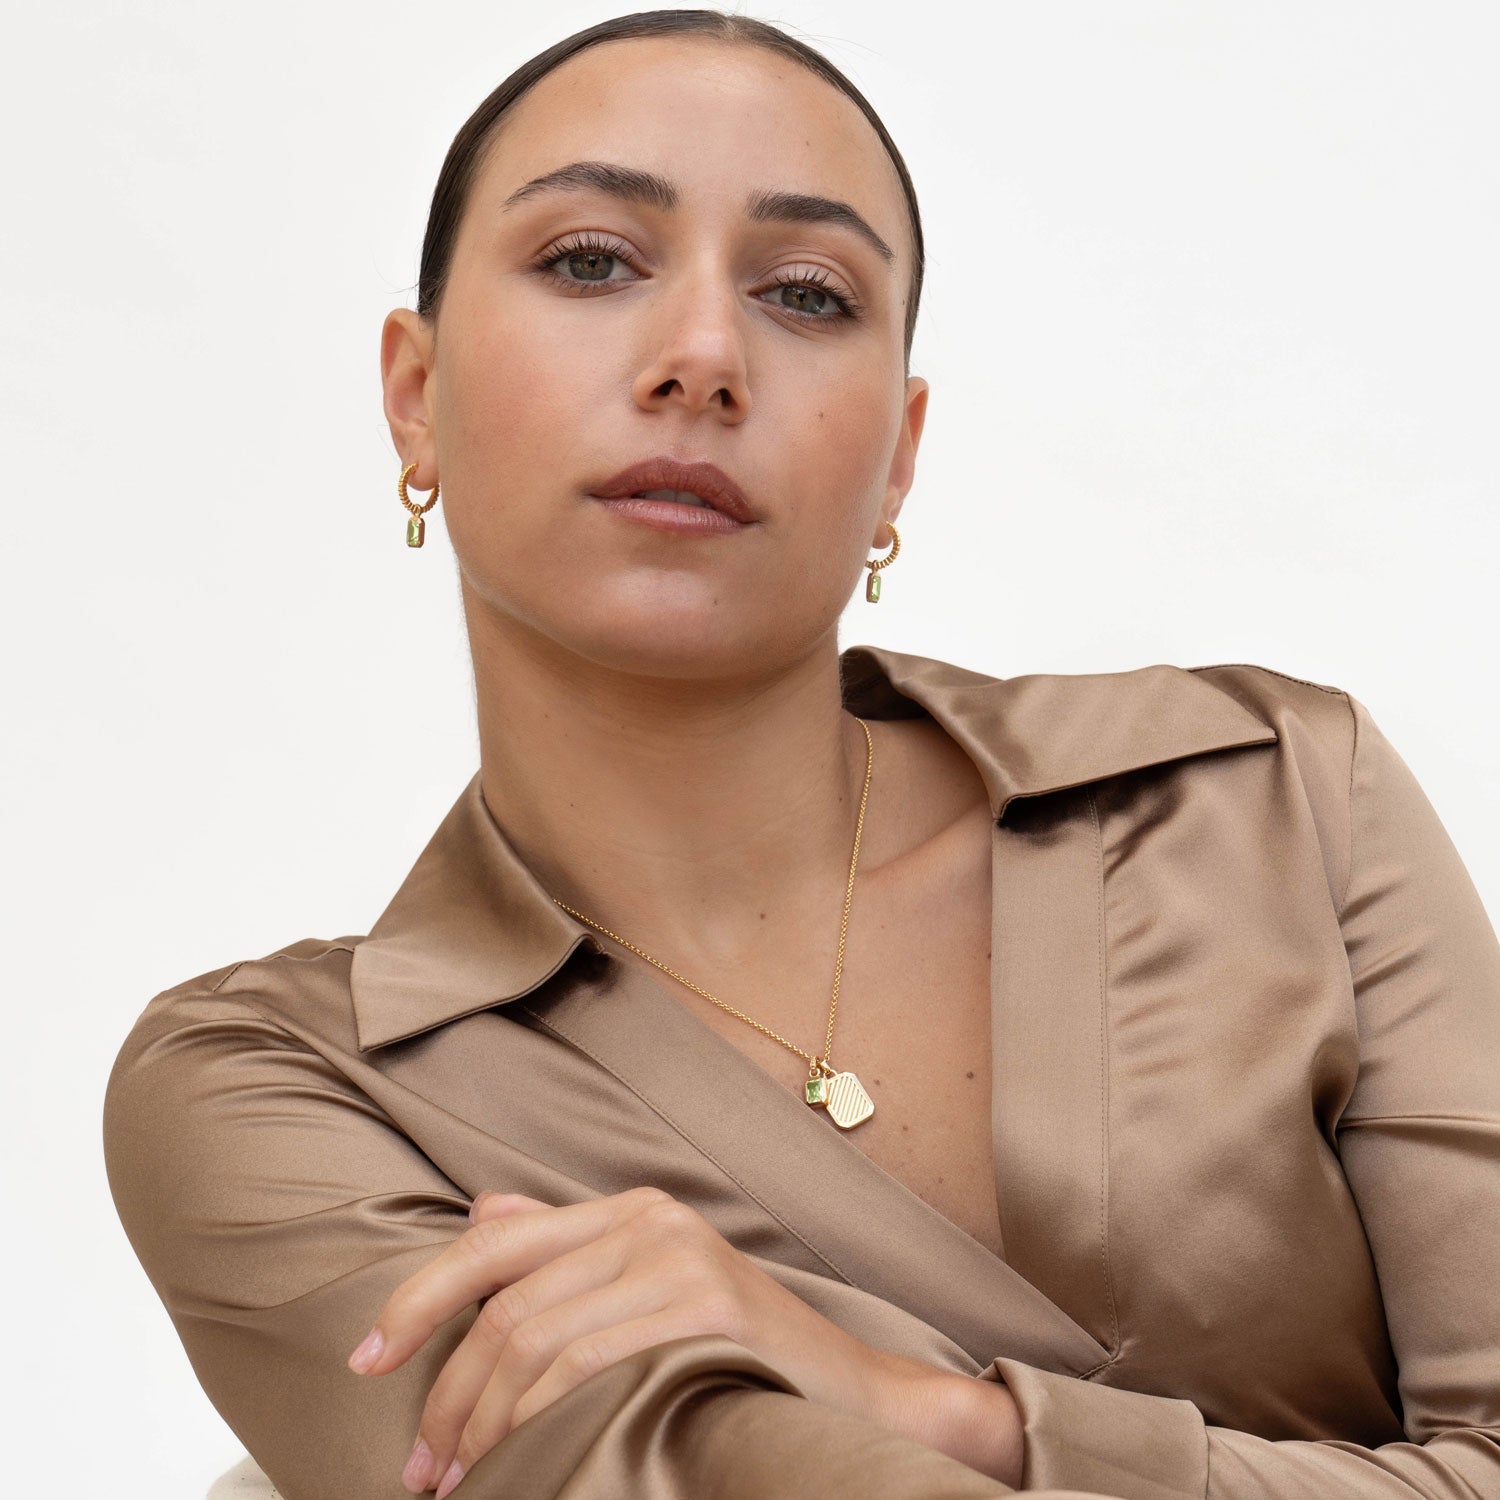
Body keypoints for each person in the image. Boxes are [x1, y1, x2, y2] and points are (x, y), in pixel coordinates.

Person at [102, 9, 1500, 1499]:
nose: (703, 357)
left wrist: (945, 1415)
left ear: (897, 457)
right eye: (592, 261)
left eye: (807, 294)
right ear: (413, 395)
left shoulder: (1270, 792)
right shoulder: (290, 1085)